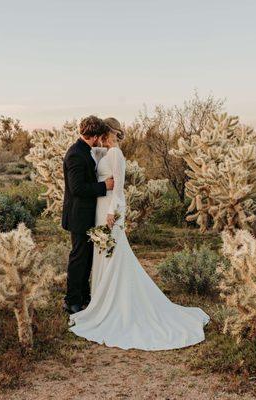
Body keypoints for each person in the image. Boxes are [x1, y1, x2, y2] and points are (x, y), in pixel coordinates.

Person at [69, 117, 210, 351]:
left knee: (113, 256)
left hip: (108, 213)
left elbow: (120, 188)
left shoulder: (115, 155)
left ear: (106, 132)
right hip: (99, 209)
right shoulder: (102, 153)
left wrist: (113, 213)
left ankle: (114, 305)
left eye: (101, 132)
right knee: (103, 256)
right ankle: (100, 300)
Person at [62, 116, 114, 314]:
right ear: (93, 136)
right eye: (99, 137)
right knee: (78, 258)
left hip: (87, 215)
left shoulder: (86, 150)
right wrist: (104, 186)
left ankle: (83, 296)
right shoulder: (75, 154)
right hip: (78, 216)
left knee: (86, 258)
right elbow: (77, 188)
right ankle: (71, 300)